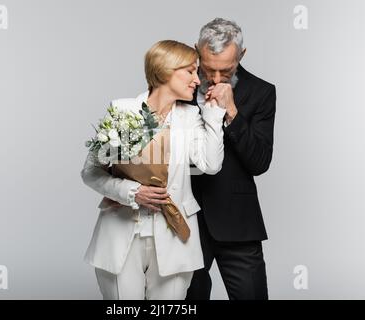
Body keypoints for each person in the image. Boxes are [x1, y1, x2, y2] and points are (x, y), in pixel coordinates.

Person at [81, 40, 227, 300]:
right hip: (121, 234)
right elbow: (91, 172)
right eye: (190, 71)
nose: (197, 80)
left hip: (174, 237)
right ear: (165, 70)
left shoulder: (191, 116)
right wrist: (131, 191)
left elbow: (211, 165)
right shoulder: (123, 110)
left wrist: (215, 114)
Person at [186, 18, 276, 300]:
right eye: (207, 68)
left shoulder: (262, 92)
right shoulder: (178, 86)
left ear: (242, 55)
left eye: (225, 70)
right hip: (182, 223)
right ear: (196, 52)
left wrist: (232, 112)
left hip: (237, 220)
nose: (213, 78)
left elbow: (259, 162)